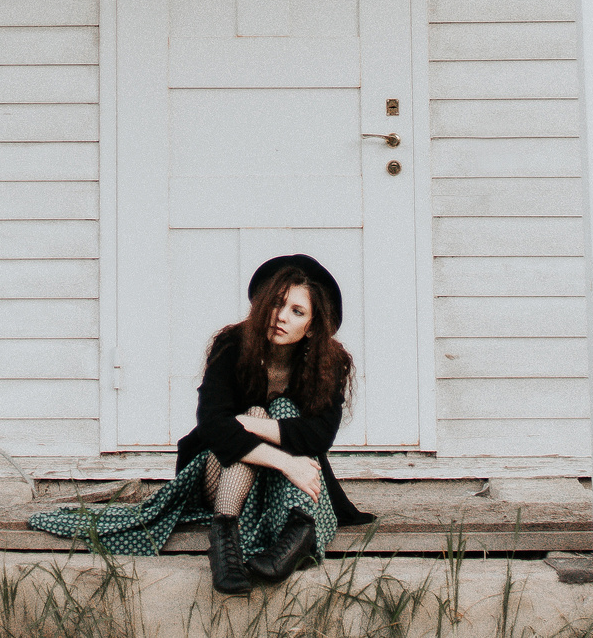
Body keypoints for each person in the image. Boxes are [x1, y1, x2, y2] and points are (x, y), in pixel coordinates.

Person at [24, 254, 374, 594]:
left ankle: (294, 538)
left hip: (286, 489)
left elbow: (319, 436)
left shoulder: (331, 362)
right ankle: (225, 543)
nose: (280, 316)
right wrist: (284, 460)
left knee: (276, 410)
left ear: (312, 327)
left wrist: (250, 427)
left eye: (296, 311)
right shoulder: (233, 344)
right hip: (223, 476)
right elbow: (212, 427)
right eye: (276, 303)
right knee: (257, 412)